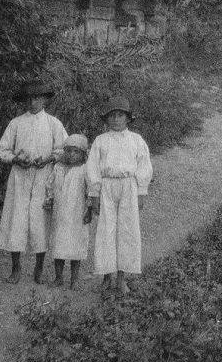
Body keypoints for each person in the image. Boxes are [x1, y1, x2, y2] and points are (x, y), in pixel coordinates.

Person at [0, 79, 66, 284]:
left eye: (37, 98)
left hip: (43, 177)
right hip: (20, 177)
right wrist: (16, 159)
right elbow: (3, 149)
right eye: (29, 98)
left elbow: (63, 149)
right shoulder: (16, 123)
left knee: (39, 221)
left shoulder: (54, 124)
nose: (33, 102)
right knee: (16, 219)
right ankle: (16, 268)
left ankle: (38, 268)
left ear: (44, 100)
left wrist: (48, 159)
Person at [86, 96, 152, 296]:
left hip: (128, 186)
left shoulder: (136, 140)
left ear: (128, 118)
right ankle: (107, 275)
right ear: (106, 119)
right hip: (106, 185)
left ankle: (122, 278)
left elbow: (144, 166)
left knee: (127, 230)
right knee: (106, 230)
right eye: (112, 116)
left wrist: (141, 191)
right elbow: (92, 168)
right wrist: (94, 193)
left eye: (120, 115)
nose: (116, 119)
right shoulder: (100, 141)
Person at [44, 133, 90, 290]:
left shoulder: (84, 170)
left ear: (83, 154)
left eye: (76, 152)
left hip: (77, 214)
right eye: (69, 151)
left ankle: (74, 279)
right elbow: (50, 185)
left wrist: (89, 208)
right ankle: (58, 277)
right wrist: (49, 199)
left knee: (75, 246)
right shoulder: (58, 168)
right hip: (60, 214)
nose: (72, 155)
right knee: (58, 246)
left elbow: (91, 190)